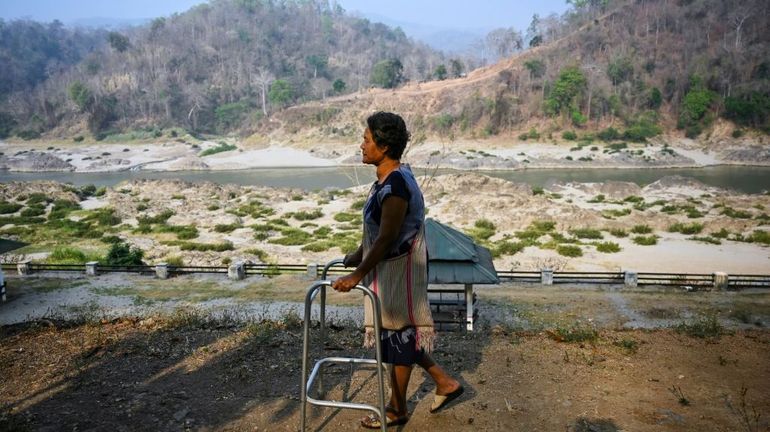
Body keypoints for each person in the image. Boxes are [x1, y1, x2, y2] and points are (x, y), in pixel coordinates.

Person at [332, 111, 463, 429]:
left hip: (401, 270)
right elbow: (381, 231)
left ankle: (396, 409)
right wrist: (359, 253)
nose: (361, 146)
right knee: (398, 333)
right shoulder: (388, 179)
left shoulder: (396, 186)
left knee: (400, 337)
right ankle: (445, 383)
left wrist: (358, 274)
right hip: (391, 268)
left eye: (366, 140)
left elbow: (390, 235)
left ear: (384, 146)